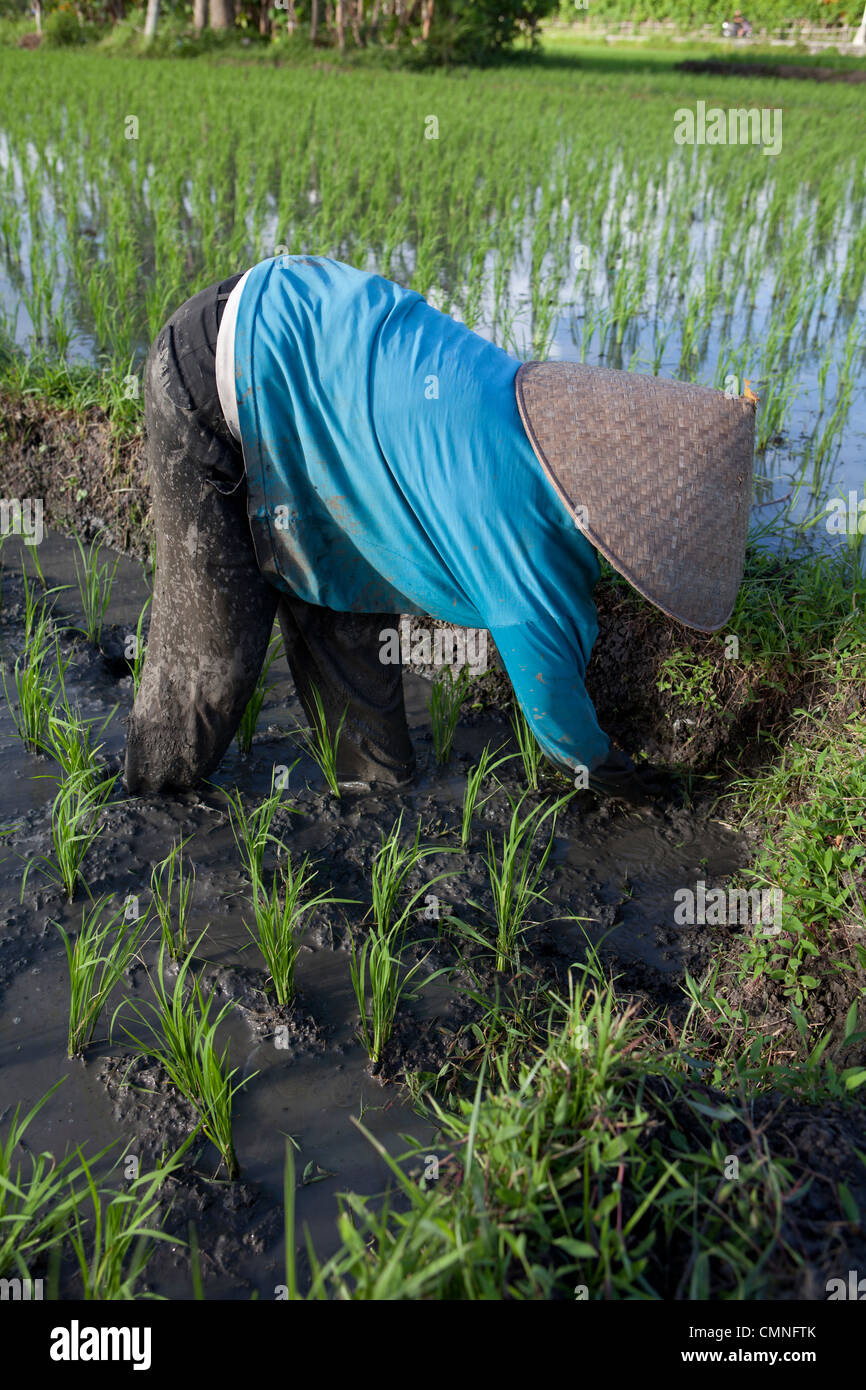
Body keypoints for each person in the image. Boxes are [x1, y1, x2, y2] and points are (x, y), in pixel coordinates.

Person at [123, 255, 755, 807]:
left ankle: (371, 803)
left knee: (351, 615)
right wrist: (613, 773)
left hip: (318, 383)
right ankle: (144, 810)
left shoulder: (533, 414)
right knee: (211, 669)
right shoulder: (525, 540)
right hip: (219, 368)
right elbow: (554, 710)